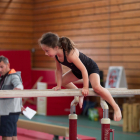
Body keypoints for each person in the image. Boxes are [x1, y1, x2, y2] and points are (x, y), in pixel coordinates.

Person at [38, 32, 122, 121]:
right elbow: (59, 70)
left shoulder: (69, 53)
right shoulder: (57, 56)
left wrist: (85, 87)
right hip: (77, 71)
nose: (46, 54)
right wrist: (59, 85)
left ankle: (116, 107)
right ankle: (78, 94)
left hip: (90, 69)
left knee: (97, 87)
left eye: (47, 51)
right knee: (62, 81)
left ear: (56, 47)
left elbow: (84, 70)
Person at [0, 55, 25, 140]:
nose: (0, 70)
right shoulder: (3, 77)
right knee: (13, 136)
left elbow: (19, 85)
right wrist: (20, 105)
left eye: (1, 67)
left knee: (6, 136)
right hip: (12, 111)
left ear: (8, 65)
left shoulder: (13, 76)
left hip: (8, 112)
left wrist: (18, 88)